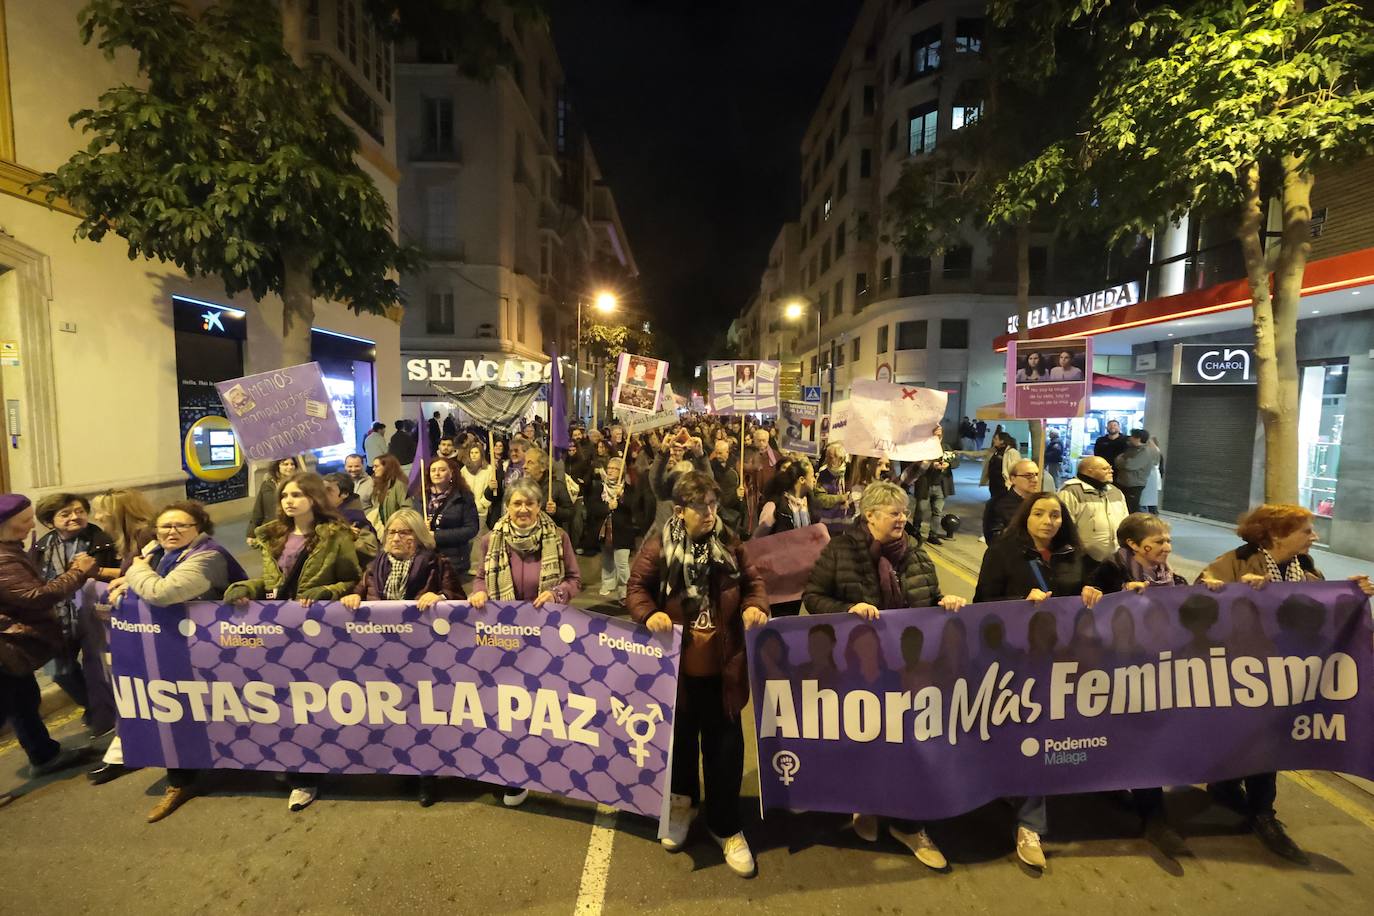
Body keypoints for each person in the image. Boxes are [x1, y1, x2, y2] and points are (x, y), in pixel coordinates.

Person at [1196, 503, 1374, 864]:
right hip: (1240, 670)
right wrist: (1231, 591)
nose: (1315, 536)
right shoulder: (1236, 561)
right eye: (1306, 530)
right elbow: (1195, 603)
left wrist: (1350, 594)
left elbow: (1323, 610)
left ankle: (1263, 812)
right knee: (1244, 735)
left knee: (1271, 740)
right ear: (1276, 534)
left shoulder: (1304, 569)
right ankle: (1228, 786)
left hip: (1285, 671)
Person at [802, 480, 965, 870]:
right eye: (894, 512)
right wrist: (848, 609)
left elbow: (931, 595)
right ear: (870, 516)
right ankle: (867, 803)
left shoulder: (916, 553)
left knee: (913, 744)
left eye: (904, 512)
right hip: (862, 668)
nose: (902, 519)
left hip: (912, 671)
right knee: (868, 739)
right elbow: (812, 596)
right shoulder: (841, 550)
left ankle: (910, 824)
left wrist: (947, 602)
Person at [626, 471, 769, 878]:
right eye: (700, 507)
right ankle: (682, 807)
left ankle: (726, 826)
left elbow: (755, 583)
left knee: (725, 753)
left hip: (725, 672)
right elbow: (636, 587)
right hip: (676, 674)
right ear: (679, 510)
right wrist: (649, 612)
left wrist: (755, 604)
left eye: (712, 505)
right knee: (682, 747)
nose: (709, 513)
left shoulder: (732, 544)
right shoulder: (657, 547)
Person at [973, 491, 1102, 869]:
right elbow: (982, 603)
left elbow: (1099, 586)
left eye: (1056, 515)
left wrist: (1095, 591)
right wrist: (1019, 601)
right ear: (1026, 517)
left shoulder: (1073, 554)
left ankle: (1030, 825)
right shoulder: (1002, 552)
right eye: (1041, 514)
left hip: (1062, 662)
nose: (1049, 521)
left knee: (1042, 737)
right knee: (1021, 735)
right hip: (1015, 659)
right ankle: (1016, 806)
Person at [225, 472, 361, 811]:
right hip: (277, 632)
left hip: (318, 634)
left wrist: (326, 592)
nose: (289, 500)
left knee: (312, 703)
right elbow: (275, 584)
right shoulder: (273, 535)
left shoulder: (335, 536)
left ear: (314, 498)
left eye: (297, 494)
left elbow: (353, 579)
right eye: (285, 494)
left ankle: (311, 772)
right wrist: (248, 588)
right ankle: (294, 766)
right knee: (282, 701)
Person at [104, 500, 247, 819]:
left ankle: (241, 764)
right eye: (165, 526)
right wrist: (127, 585)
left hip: (213, 652)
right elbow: (147, 585)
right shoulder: (161, 554)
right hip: (173, 649)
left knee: (221, 711)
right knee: (176, 711)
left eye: (182, 525)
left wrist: (135, 570)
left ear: (200, 529)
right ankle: (180, 780)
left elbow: (163, 592)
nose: (172, 531)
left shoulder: (208, 557)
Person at [468, 478, 581, 808]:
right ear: (507, 506)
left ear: (537, 507)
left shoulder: (557, 537)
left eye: (529, 504)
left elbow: (574, 579)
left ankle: (547, 764)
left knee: (543, 704)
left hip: (545, 638)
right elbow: (480, 575)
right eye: (516, 503)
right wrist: (478, 591)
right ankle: (513, 774)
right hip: (503, 640)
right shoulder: (492, 540)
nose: (522, 510)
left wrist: (557, 594)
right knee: (507, 706)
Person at [342, 508, 463, 807]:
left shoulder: (437, 563)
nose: (397, 537)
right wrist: (352, 596)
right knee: (396, 715)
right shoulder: (374, 566)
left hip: (424, 655)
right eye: (392, 532)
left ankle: (427, 776)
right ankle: (403, 767)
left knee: (424, 717)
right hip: (383, 654)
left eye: (405, 532)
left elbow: (458, 597)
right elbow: (357, 591)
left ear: (418, 536)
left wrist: (441, 599)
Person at [1084, 512, 1190, 857]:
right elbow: (1084, 604)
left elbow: (1190, 603)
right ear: (1133, 544)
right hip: (1114, 671)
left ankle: (1154, 817)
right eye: (1159, 541)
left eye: (1168, 541)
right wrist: (1117, 594)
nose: (1166, 547)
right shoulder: (1111, 570)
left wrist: (1212, 588)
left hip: (1156, 670)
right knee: (1120, 736)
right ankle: (1111, 786)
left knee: (1149, 739)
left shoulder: (1169, 576)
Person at [0, 495, 98, 803]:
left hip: (11, 650)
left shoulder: (11, 548)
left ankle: (44, 756)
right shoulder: (2, 558)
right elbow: (34, 596)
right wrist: (78, 572)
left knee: (23, 701)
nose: (32, 524)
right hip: (3, 648)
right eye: (25, 519)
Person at [30, 494, 120, 739]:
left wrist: (96, 571)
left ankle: (106, 715)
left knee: (98, 669)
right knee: (58, 669)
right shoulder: (41, 546)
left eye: (79, 511)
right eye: (66, 514)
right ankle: (92, 706)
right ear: (50, 521)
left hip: (93, 616)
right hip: (56, 618)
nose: (75, 517)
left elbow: (116, 574)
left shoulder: (101, 540)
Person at [584, 457, 643, 601]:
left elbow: (634, 507)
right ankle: (608, 584)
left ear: (621, 471)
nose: (610, 471)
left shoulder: (629, 489)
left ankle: (625, 590)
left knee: (622, 563)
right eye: (609, 468)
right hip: (605, 530)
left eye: (614, 468)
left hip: (622, 532)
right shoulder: (599, 487)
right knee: (607, 559)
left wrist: (622, 497)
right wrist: (607, 507)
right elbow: (592, 507)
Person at [1058, 456, 1130, 563]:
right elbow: (1064, 527)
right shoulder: (1070, 492)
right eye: (1105, 469)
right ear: (1089, 471)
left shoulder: (1116, 492)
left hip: (1115, 559)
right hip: (1084, 560)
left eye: (1110, 468)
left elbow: (1126, 523)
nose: (1111, 471)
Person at [425, 456, 480, 578]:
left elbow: (471, 529)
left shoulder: (463, 497)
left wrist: (436, 536)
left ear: (451, 473)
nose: (437, 473)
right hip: (426, 560)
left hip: (454, 561)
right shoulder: (421, 498)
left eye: (442, 470)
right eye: (433, 470)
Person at [907, 427, 958, 544]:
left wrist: (948, 464)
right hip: (925, 484)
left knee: (937, 511)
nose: (937, 437)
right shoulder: (924, 448)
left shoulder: (946, 447)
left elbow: (956, 462)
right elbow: (915, 465)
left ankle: (933, 534)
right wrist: (931, 465)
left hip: (941, 485)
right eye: (935, 434)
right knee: (921, 509)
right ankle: (915, 531)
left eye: (939, 435)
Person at [322, 473, 379, 566]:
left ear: (344, 494)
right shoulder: (332, 513)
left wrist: (345, 534)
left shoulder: (354, 518)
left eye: (328, 490)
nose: (323, 494)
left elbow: (370, 550)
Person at [984, 459, 1041, 543]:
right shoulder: (997, 503)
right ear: (1012, 479)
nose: (1035, 480)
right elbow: (994, 539)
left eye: (1037, 475)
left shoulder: (1041, 502)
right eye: (1028, 476)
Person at [248, 457, 299, 546]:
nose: (290, 467)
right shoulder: (267, 485)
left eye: (292, 464)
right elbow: (258, 510)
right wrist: (251, 533)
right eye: (285, 464)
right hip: (271, 531)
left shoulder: (298, 485)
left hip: (291, 530)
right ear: (277, 466)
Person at [708, 438, 747, 537]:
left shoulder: (737, 464)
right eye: (716, 453)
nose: (717, 456)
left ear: (727, 452)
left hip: (736, 507)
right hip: (721, 506)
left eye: (720, 453)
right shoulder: (712, 466)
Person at [1114, 428, 1160, 513]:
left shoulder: (1145, 451)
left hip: (1134, 485)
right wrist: (1121, 460)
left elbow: (1129, 465)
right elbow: (1117, 461)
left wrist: (1122, 460)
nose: (1130, 438)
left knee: (1132, 508)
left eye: (1132, 436)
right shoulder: (1131, 449)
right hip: (1123, 482)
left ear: (1138, 438)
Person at [814, 443, 852, 535]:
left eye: (830, 457)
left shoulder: (850, 473)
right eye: (827, 457)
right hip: (827, 526)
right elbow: (820, 499)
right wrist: (841, 498)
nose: (827, 460)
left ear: (840, 459)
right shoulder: (823, 474)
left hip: (845, 525)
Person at [370, 454, 414, 526]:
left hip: (398, 528)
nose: (373, 469)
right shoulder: (381, 485)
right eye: (373, 466)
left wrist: (396, 523)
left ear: (387, 467)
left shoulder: (399, 484)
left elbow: (407, 508)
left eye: (376, 466)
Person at [979, 431, 1021, 503]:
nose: (993, 440)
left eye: (996, 439)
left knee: (1001, 502)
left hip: (1002, 484)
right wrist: (962, 452)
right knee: (994, 501)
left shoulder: (1012, 452)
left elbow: (1016, 468)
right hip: (994, 483)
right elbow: (978, 454)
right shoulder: (995, 450)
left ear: (1002, 441)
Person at [460, 443, 494, 527]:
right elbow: (461, 488)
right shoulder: (464, 470)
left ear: (481, 454)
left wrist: (482, 504)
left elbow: (491, 489)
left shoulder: (489, 469)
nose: (474, 455)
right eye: (471, 453)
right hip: (467, 509)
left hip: (481, 511)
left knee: (478, 537)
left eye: (476, 452)